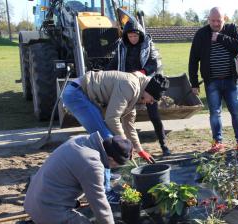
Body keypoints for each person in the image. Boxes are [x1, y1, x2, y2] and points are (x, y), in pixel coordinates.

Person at [20, 132, 133, 224]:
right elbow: (99, 203)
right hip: (47, 210)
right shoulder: (92, 163)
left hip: (33, 200)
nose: (114, 169)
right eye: (117, 166)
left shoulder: (81, 140)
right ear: (111, 159)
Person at [62, 71, 169, 203]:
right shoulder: (131, 85)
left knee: (110, 140)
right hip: (77, 94)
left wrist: (139, 150)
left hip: (84, 95)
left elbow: (129, 125)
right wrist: (124, 145)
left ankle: (105, 173)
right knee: (107, 141)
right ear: (148, 90)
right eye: (152, 99)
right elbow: (112, 118)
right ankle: (106, 191)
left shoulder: (137, 93)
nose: (150, 103)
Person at [108, 20, 171, 156]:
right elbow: (114, 63)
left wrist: (142, 72)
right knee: (123, 118)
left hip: (146, 85)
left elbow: (154, 63)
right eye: (130, 36)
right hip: (127, 87)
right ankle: (122, 150)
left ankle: (164, 145)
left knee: (154, 116)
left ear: (140, 35)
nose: (133, 39)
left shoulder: (148, 45)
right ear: (126, 36)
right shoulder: (121, 47)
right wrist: (105, 73)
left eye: (135, 36)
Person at [189, 7, 238, 153]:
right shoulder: (201, 34)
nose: (215, 23)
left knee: (236, 111)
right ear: (208, 19)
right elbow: (193, 59)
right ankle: (218, 143)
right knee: (215, 113)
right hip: (212, 82)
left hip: (231, 81)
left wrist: (220, 37)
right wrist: (194, 83)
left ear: (225, 19)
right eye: (213, 20)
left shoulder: (232, 29)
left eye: (219, 20)